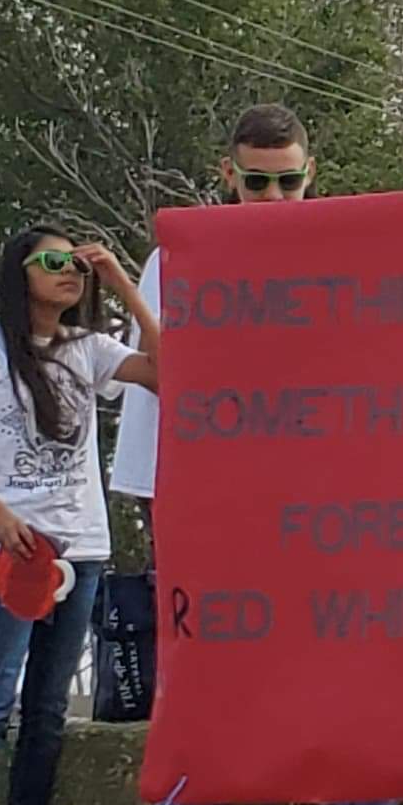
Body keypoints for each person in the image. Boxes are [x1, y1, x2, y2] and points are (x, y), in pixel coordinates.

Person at [0, 224, 161, 805]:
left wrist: (122, 283)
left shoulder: (87, 346)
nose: (70, 273)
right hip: (11, 545)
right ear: (20, 271)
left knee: (51, 710)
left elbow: (173, 371)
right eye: (53, 262)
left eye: (77, 266)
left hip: (82, 547)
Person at [104, 103, 314, 511]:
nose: (273, 196)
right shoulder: (180, 258)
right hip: (192, 479)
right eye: (256, 182)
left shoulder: (345, 257)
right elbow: (155, 371)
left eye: (288, 181)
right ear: (229, 173)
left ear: (310, 172)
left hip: (305, 480)